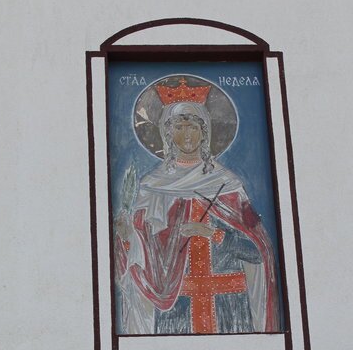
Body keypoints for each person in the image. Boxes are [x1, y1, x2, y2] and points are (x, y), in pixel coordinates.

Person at [114, 78, 281, 335]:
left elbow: (257, 251)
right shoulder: (153, 187)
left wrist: (212, 234)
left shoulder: (226, 184)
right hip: (176, 306)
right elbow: (141, 253)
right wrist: (126, 236)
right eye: (179, 127)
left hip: (229, 305)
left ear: (205, 133)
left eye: (193, 127)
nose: (187, 135)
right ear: (167, 134)